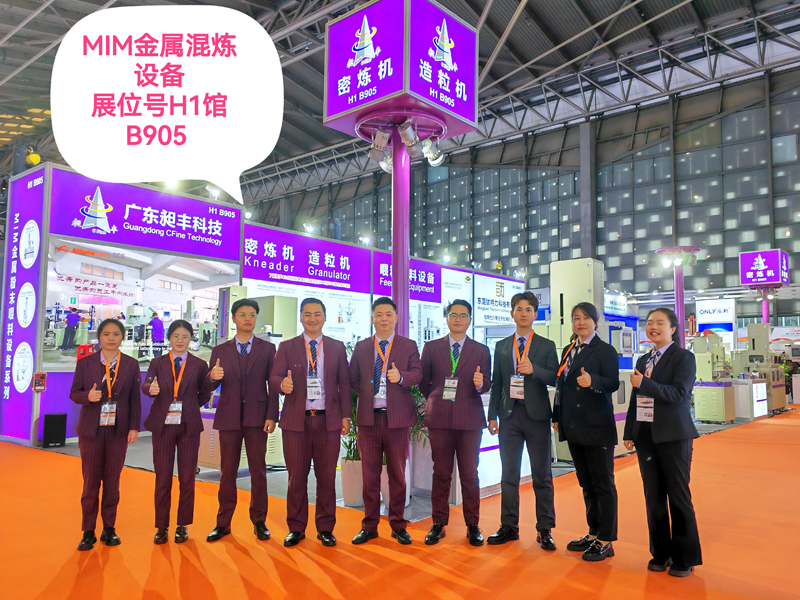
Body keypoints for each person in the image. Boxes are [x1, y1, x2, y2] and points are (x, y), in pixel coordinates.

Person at [624, 307, 702, 578]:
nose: (653, 327)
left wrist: (645, 383)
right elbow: (636, 399)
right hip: (646, 437)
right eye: (649, 323)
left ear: (673, 329)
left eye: (659, 322)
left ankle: (684, 557)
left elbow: (679, 393)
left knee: (678, 496)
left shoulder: (684, 357)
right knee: (653, 497)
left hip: (674, 436)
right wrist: (629, 432)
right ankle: (660, 552)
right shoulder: (644, 359)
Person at [270, 298, 351, 547]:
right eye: (307, 314)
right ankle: (296, 527)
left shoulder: (337, 347)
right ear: (301, 317)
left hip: (328, 421)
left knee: (326, 478)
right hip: (296, 422)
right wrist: (282, 384)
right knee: (296, 477)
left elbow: (344, 383)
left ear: (324, 317)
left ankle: (325, 528)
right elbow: (274, 377)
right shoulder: (287, 346)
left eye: (317, 314)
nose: (312, 319)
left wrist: (346, 416)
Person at [487, 291, 558, 549]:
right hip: (509, 417)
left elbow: (555, 378)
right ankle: (509, 527)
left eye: (529, 309)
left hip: (537, 417)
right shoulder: (502, 346)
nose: (524, 313)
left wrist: (534, 370)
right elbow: (497, 383)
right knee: (509, 474)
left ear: (535, 314)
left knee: (542, 475)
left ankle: (545, 529)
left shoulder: (546, 345)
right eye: (519, 309)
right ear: (512, 313)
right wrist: (492, 415)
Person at [203, 298, 278, 543]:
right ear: (233, 318)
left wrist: (272, 415)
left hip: (258, 417)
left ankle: (259, 521)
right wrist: (212, 377)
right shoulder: (220, 350)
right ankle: (223, 522)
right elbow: (209, 385)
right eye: (243, 314)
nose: (248, 319)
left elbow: (273, 385)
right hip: (229, 417)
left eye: (252, 314)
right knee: (227, 471)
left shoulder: (268, 349)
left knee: (258, 471)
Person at [349, 297, 422, 545]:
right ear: (372, 318)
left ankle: (398, 525)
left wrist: (401, 377)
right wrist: (368, 394)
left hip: (397, 420)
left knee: (397, 474)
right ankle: (369, 526)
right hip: (368, 420)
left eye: (388, 314)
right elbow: (353, 378)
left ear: (396, 318)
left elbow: (418, 374)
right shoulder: (362, 347)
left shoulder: (407, 345)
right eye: (379, 314)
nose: (384, 319)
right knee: (369, 475)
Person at [419, 299, 491, 547]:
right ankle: (438, 523)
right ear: (447, 318)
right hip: (439, 418)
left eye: (463, 315)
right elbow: (424, 382)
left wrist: (480, 383)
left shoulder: (481, 350)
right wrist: (436, 397)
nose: (458, 319)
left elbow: (487, 383)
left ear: (470, 319)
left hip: (469, 419)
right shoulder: (431, 347)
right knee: (441, 473)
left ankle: (473, 525)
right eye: (453, 315)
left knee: (470, 475)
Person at [553, 302, 620, 562]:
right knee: (586, 482)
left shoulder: (605, 350)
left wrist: (594, 382)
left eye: (585, 318)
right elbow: (561, 386)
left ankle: (606, 539)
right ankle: (593, 532)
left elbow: (613, 383)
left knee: (603, 483)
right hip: (574, 425)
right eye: (576, 318)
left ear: (595, 321)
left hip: (596, 426)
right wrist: (557, 416)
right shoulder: (569, 349)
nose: (581, 322)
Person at [70, 318, 141, 551]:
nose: (111, 338)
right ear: (99, 337)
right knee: (90, 482)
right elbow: (74, 392)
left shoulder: (130, 364)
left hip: (118, 430)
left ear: (122, 337)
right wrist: (87, 397)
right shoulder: (86, 363)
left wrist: (134, 427)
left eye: (116, 334)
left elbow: (134, 399)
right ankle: (88, 531)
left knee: (112, 481)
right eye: (106, 334)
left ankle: (109, 528)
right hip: (91, 430)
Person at [142, 320, 211, 544]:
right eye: (176, 336)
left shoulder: (199, 364)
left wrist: (188, 407)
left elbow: (204, 393)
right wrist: (150, 389)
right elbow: (147, 385)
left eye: (185, 337)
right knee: (162, 478)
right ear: (169, 338)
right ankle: (161, 526)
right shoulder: (157, 362)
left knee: (187, 478)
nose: (180, 341)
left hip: (189, 426)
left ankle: (182, 525)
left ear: (191, 338)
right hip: (162, 425)